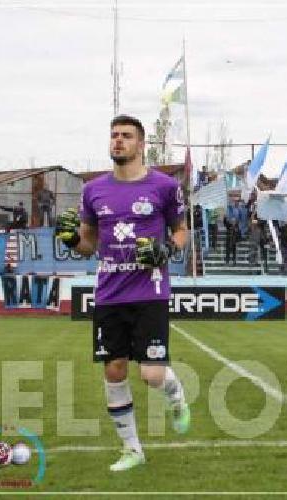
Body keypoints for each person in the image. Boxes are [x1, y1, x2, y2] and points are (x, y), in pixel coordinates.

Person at [54, 114, 189, 472]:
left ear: (141, 144)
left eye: (126, 136)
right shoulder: (93, 190)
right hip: (110, 293)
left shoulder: (163, 186)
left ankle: (176, 396)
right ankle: (132, 449)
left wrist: (167, 251)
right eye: (114, 135)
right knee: (114, 371)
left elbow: (181, 232)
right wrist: (71, 240)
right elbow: (87, 244)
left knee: (152, 376)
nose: (118, 141)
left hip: (150, 290)